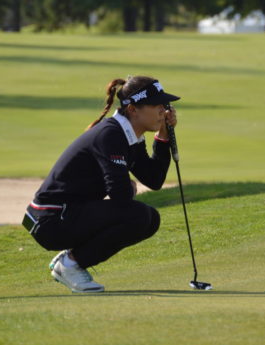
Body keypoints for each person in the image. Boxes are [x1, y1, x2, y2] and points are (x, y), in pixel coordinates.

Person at [22, 75, 179, 293]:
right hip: (52, 219)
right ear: (133, 109)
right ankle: (70, 265)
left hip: (67, 213)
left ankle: (71, 261)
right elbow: (121, 196)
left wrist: (163, 136)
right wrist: (127, 183)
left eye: (165, 104)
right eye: (157, 105)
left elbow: (154, 180)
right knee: (139, 215)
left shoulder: (130, 136)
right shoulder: (111, 134)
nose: (164, 110)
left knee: (150, 219)